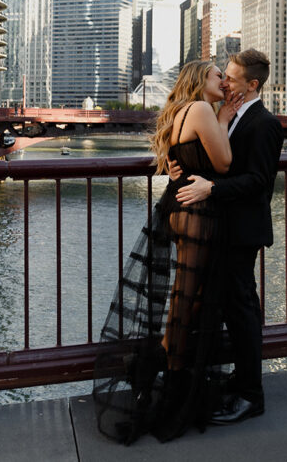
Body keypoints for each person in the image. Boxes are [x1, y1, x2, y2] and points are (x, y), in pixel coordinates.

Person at [93, 60, 242, 444]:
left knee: (184, 299)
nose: (222, 81)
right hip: (198, 212)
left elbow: (184, 162)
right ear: (199, 82)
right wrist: (224, 119)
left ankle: (163, 372)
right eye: (216, 76)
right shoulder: (200, 110)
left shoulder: (178, 112)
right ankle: (171, 387)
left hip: (177, 208)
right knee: (187, 301)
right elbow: (224, 162)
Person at [175, 49, 284, 425]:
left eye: (232, 78)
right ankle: (239, 381)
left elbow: (259, 182)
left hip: (242, 230)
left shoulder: (264, 123)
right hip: (221, 227)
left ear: (252, 85)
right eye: (224, 77)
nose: (225, 82)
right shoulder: (230, 115)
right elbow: (215, 159)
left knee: (241, 312)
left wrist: (212, 190)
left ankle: (251, 396)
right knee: (228, 308)